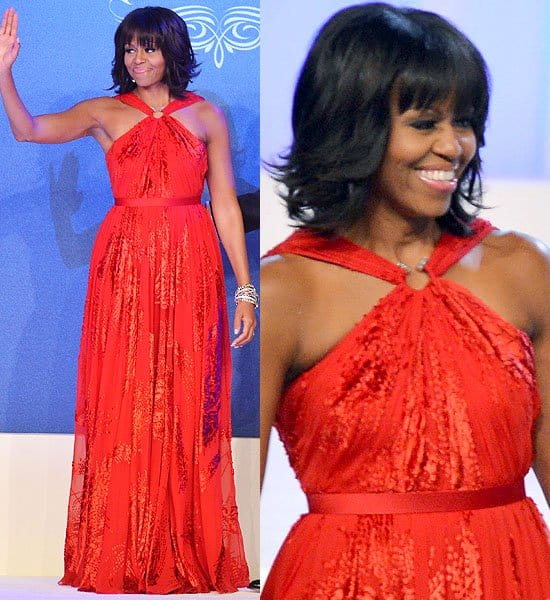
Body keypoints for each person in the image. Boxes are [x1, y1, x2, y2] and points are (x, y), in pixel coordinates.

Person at [261, 3, 550, 598]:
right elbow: (223, 507)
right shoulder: (283, 290)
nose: (454, 146)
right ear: (350, 126)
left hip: (514, 577)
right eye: (424, 123)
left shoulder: (523, 269)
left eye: (465, 121)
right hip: (338, 581)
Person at [0, 5, 256, 594]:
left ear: (172, 50)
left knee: (189, 398)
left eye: (148, 48)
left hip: (191, 264)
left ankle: (183, 548)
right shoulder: (102, 112)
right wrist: (6, 74)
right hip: (125, 267)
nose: (137, 59)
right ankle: (123, 546)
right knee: (127, 396)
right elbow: (28, 130)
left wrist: (244, 289)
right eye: (129, 49)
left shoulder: (206, 116)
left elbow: (224, 204)